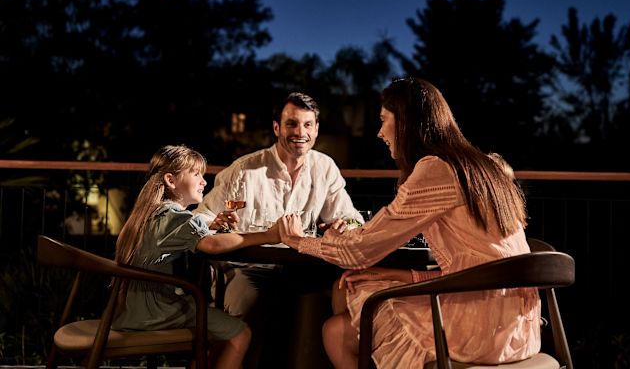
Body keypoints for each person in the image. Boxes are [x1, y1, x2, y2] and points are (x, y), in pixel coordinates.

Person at [278, 77, 541, 368]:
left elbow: (357, 252)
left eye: (383, 120)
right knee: (352, 285)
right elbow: (479, 268)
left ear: (405, 121)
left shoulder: (436, 168)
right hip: (518, 328)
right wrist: (401, 276)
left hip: (478, 329)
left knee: (335, 328)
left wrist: (298, 240)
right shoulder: (482, 167)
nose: (379, 133)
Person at [193, 92, 363, 367]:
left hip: (304, 267)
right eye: (292, 124)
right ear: (277, 127)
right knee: (247, 301)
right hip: (249, 269)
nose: (300, 132)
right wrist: (217, 223)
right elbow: (199, 222)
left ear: (316, 129)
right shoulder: (245, 170)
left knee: (343, 288)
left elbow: (354, 220)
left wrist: (344, 225)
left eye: (308, 125)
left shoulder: (325, 168)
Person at [112, 144, 280, 369]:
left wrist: (210, 223)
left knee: (218, 328)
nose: (204, 181)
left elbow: (183, 231)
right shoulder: (172, 216)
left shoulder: (153, 213)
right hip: (159, 312)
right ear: (171, 181)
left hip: (137, 310)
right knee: (240, 333)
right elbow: (211, 245)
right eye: (196, 174)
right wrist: (270, 235)